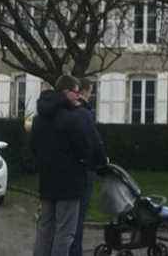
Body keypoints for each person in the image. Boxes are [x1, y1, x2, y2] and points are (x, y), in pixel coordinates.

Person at [31, 75, 92, 256]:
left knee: (44, 230)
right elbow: (85, 150)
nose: (79, 96)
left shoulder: (39, 118)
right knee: (65, 233)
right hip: (69, 185)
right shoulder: (73, 118)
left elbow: (33, 148)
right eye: (76, 92)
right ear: (66, 92)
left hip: (47, 181)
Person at [69, 78, 107, 256]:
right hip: (85, 168)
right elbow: (93, 141)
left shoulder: (67, 111)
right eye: (90, 91)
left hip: (68, 170)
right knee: (78, 215)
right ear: (85, 91)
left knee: (67, 217)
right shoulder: (84, 112)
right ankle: (74, 251)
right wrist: (102, 162)